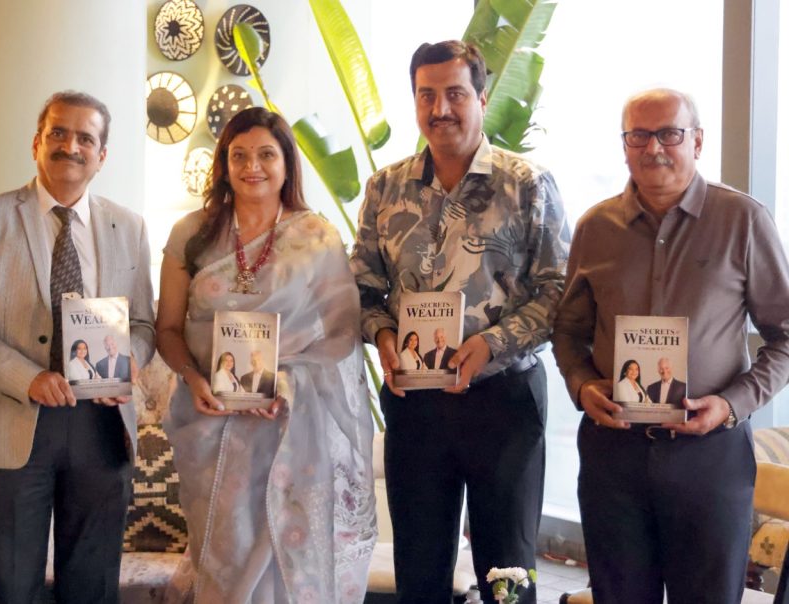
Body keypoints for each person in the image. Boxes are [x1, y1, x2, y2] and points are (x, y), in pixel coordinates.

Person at [350, 41, 569, 603]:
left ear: (482, 98)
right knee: (419, 568)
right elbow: (363, 288)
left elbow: (558, 291)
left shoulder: (528, 184)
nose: (440, 108)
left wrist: (491, 344)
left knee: (508, 574)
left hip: (503, 399)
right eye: (427, 95)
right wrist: (383, 335)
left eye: (455, 94)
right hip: (416, 403)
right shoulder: (385, 188)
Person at [552, 88, 789, 604]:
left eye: (669, 134)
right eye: (638, 135)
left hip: (709, 457)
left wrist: (732, 404)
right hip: (614, 457)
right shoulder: (595, 228)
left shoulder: (743, 220)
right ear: (624, 145)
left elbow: (786, 335)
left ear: (697, 142)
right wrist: (582, 385)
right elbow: (567, 332)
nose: (653, 147)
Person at [156, 107, 376, 602]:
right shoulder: (191, 233)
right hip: (209, 419)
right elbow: (167, 329)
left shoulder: (316, 236)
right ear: (223, 164)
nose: (251, 166)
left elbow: (342, 333)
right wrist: (193, 379)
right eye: (239, 155)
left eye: (266, 155)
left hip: (290, 425)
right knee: (224, 555)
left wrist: (287, 381)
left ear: (287, 163)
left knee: (286, 554)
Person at [0, 90, 155, 604]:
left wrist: (129, 359)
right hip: (11, 424)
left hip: (102, 428)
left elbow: (143, 324)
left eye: (85, 138)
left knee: (91, 587)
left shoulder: (129, 226)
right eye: (58, 133)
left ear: (102, 155)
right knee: (5, 588)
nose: (71, 146)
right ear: (36, 143)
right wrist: (30, 379)